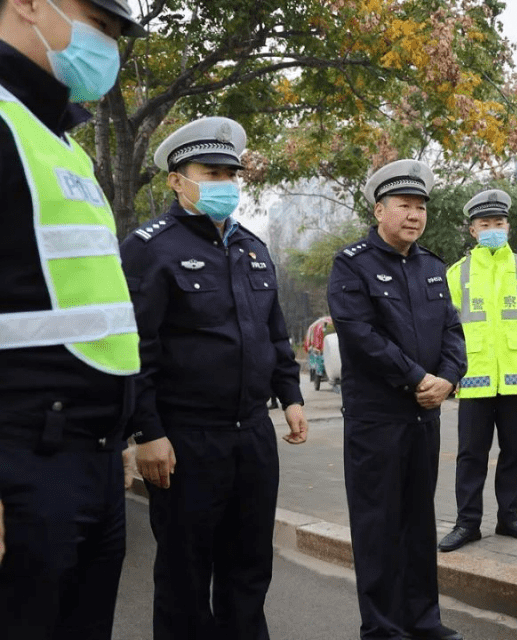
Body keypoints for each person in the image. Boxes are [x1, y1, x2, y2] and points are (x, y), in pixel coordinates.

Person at [119, 117, 308, 640]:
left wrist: (290, 396)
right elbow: (135, 348)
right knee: (184, 573)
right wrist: (147, 431)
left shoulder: (252, 246)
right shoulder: (148, 247)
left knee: (249, 568)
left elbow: (275, 333)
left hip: (252, 435)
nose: (225, 183)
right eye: (211, 171)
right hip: (185, 439)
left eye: (231, 173)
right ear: (177, 179)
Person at [0, 0, 146, 637]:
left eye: (118, 32)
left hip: (89, 456)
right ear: (28, 5)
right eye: (101, 22)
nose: (109, 45)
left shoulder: (61, 141)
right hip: (23, 464)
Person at [327, 159, 467, 640]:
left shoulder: (432, 266)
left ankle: (423, 620)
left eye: (420, 206)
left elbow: (452, 330)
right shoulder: (351, 264)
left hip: (424, 419)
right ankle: (384, 629)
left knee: (418, 523)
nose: (414, 215)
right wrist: (416, 379)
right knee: (377, 527)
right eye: (404, 205)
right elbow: (359, 335)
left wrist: (447, 378)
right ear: (379, 209)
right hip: (377, 421)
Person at [438, 189, 517, 552]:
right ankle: (467, 523)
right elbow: (444, 328)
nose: (493, 229)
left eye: (499, 223)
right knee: (470, 454)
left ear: (508, 227)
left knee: (514, 452)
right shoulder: (456, 273)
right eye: (484, 224)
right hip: (471, 380)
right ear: (472, 231)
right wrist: (447, 374)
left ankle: (510, 518)